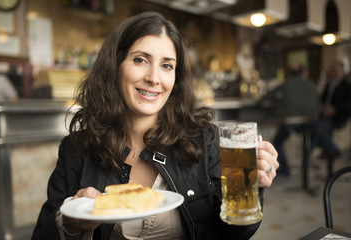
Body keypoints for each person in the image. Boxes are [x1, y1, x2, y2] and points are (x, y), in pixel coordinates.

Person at [31, 11, 278, 240]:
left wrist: (248, 187)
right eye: (140, 60)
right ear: (114, 66)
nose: (154, 78)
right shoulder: (76, 149)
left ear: (176, 77)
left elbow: (232, 235)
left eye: (167, 65)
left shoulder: (204, 139)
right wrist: (70, 226)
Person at [262, 62, 319, 176]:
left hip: (291, 122)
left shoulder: (285, 85)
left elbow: (266, 96)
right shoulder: (312, 85)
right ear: (304, 73)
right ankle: (306, 160)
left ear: (289, 74)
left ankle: (285, 170)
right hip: (311, 122)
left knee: (277, 143)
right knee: (314, 138)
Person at [314, 60, 351, 159]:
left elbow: (348, 104)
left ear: (342, 72)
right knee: (313, 127)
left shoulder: (347, 86)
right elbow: (322, 99)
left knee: (319, 128)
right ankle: (329, 149)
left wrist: (335, 109)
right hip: (325, 116)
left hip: (339, 117)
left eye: (336, 71)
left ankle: (332, 150)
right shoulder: (329, 84)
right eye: (332, 71)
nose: (333, 73)